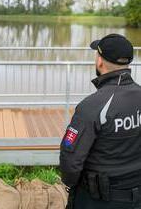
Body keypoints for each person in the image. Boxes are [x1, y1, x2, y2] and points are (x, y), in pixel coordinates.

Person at [60, 33, 141, 209]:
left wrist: (70, 184)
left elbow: (70, 158)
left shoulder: (92, 106)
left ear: (100, 61)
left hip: (98, 200)